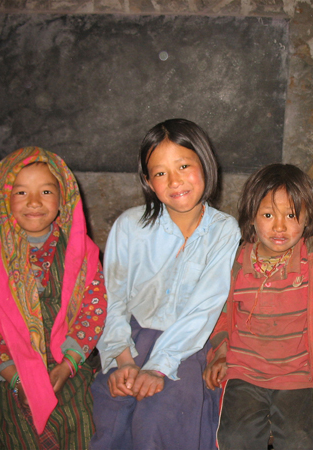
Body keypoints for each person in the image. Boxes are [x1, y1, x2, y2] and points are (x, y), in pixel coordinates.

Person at [90, 118, 241, 450]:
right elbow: (111, 301)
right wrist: (124, 362)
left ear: (206, 163)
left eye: (184, 165)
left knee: (161, 419)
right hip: (131, 339)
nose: (175, 180)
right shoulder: (129, 226)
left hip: (189, 346)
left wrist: (159, 367)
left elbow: (204, 309)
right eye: (160, 173)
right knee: (113, 413)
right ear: (147, 180)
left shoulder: (224, 230)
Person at [204, 164, 313, 450]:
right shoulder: (235, 262)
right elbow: (220, 309)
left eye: (291, 215)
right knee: (233, 438)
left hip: (298, 375)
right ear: (251, 217)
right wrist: (221, 350)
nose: (279, 227)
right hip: (244, 372)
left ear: (308, 218)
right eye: (268, 215)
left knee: (301, 442)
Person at [0, 147, 107, 449]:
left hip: (69, 364)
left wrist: (68, 364)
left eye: (45, 191)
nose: (33, 202)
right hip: (12, 370)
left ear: (64, 196)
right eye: (20, 192)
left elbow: (92, 312)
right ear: (5, 198)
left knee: (79, 418)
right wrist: (17, 377)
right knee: (19, 426)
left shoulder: (82, 252)